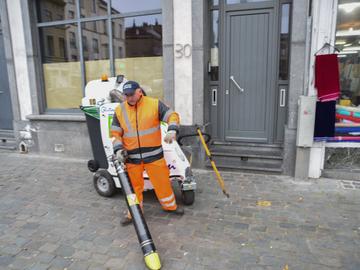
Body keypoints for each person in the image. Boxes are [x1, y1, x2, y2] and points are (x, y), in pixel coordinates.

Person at [110, 81, 184, 226]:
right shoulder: (119, 110)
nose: (129, 98)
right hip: (131, 158)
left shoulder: (154, 104)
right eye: (126, 95)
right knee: (133, 189)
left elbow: (172, 115)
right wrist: (118, 149)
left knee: (162, 184)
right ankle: (134, 213)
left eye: (131, 94)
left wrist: (172, 129)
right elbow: (115, 134)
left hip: (154, 156)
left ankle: (170, 206)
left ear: (139, 92)